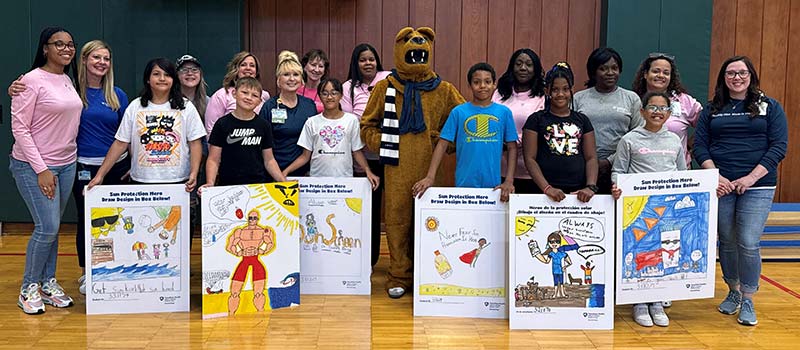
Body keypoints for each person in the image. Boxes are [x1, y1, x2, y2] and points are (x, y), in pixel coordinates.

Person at [8, 40, 131, 295]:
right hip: (80, 166)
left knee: (115, 222)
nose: (101, 63)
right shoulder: (70, 89)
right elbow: (36, 101)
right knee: (84, 222)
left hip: (113, 167)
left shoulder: (117, 95)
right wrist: (15, 89)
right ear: (84, 60)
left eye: (106, 59)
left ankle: (114, 270)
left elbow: (127, 135)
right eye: (96, 57)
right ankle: (86, 273)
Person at [693, 55, 788, 326]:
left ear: (751, 76)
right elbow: (700, 146)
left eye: (742, 73)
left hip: (758, 184)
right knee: (727, 240)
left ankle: (748, 298)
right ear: (724, 78)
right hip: (721, 186)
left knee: (748, 240)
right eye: (731, 73)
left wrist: (750, 178)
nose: (737, 77)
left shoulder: (769, 106)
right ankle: (733, 291)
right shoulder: (712, 109)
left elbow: (778, 146)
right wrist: (717, 176)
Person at [10, 27, 81, 314]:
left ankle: (47, 282)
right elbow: (20, 128)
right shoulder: (30, 80)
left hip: (66, 164)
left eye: (70, 44)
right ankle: (28, 288)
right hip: (34, 166)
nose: (66, 49)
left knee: (52, 229)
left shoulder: (67, 79)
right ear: (45, 48)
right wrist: (41, 169)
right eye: (59, 44)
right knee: (47, 227)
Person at [611, 91, 687, 327]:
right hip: (640, 209)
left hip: (667, 209)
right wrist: (616, 187)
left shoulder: (674, 140)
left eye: (662, 108)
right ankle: (640, 302)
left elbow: (682, 174)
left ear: (669, 113)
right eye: (652, 107)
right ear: (642, 111)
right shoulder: (630, 139)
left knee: (664, 252)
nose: (657, 112)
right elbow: (619, 171)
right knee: (643, 251)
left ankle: (657, 301)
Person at [87, 57, 206, 193]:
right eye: (156, 74)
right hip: (142, 181)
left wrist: (194, 173)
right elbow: (120, 143)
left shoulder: (186, 107)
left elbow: (195, 143)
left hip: (178, 181)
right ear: (148, 79)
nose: (162, 78)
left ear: (173, 80)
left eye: (167, 75)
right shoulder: (135, 106)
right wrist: (100, 175)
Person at [412, 62, 517, 202]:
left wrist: (509, 180)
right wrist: (430, 177)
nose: (482, 86)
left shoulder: (504, 113)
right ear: (470, 85)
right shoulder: (458, 112)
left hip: (494, 187)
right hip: (463, 185)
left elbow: (512, 147)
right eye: (476, 82)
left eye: (487, 81)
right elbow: (442, 144)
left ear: (494, 85)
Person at [341, 43, 391, 267]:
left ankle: (400, 262)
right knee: (366, 211)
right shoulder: (348, 87)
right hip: (362, 159)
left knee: (394, 209)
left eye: (371, 59)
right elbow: (350, 123)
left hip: (390, 156)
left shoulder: (389, 78)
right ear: (356, 63)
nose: (368, 63)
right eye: (363, 60)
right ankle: (366, 261)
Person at [282, 78, 380, 190]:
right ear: (319, 96)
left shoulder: (351, 120)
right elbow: (305, 156)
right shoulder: (311, 122)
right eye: (325, 93)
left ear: (341, 95)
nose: (329, 97)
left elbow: (356, 151)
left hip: (344, 182)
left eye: (334, 93)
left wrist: (368, 171)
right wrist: (285, 172)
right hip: (317, 184)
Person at [522, 62, 598, 203]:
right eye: (555, 89)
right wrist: (547, 188)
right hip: (543, 193)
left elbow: (591, 157)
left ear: (571, 91)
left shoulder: (582, 120)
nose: (560, 94)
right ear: (547, 91)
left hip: (578, 193)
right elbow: (529, 159)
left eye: (565, 89)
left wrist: (590, 187)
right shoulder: (536, 120)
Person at [573, 48, 643, 193]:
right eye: (603, 69)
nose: (610, 73)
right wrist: (591, 163)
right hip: (582, 168)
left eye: (614, 68)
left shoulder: (631, 98)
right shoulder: (578, 98)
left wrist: (609, 161)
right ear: (593, 72)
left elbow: (638, 136)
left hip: (620, 168)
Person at [203, 77, 286, 188]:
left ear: (259, 101)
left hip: (257, 186)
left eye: (254, 95)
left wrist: (283, 181)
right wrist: (210, 183)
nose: (249, 98)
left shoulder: (264, 125)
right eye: (244, 92)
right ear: (234, 93)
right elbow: (214, 159)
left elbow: (269, 160)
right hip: (228, 186)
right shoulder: (222, 124)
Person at [632, 53, 702, 166]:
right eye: (655, 71)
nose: (661, 75)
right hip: (641, 170)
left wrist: (689, 145)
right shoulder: (633, 100)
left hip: (677, 171)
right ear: (645, 74)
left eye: (666, 73)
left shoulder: (683, 101)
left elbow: (706, 124)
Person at [492, 48, 546, 194]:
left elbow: (541, 128)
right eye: (519, 64)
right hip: (500, 166)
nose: (523, 68)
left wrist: (513, 143)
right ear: (512, 67)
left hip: (530, 170)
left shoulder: (542, 96)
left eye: (529, 64)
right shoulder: (499, 93)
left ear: (535, 69)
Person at [258, 51, 317, 176]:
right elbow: (262, 144)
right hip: (274, 172)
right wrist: (277, 174)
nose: (291, 79)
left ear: (301, 79)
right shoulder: (269, 107)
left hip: (305, 174)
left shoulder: (309, 105)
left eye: (296, 74)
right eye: (286, 74)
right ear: (278, 80)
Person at [176, 54, 210, 239]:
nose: (190, 74)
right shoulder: (168, 102)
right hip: (178, 163)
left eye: (194, 70)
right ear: (177, 75)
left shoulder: (210, 102)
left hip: (204, 162)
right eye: (184, 70)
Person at [205, 51, 270, 135]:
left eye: (252, 65)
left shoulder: (264, 95)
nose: (248, 68)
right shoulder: (221, 95)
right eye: (243, 65)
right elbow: (211, 130)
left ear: (256, 71)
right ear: (236, 69)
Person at [225, 209, 275, 315]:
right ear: (248, 219)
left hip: (256, 260)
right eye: (250, 218)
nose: (252, 220)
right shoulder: (240, 231)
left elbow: (270, 243)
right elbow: (230, 246)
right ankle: (231, 313)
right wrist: (238, 252)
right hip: (244, 260)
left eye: (254, 218)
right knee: (234, 292)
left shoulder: (263, 231)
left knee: (258, 293)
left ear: (257, 219)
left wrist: (262, 250)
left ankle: (260, 312)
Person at [298, 49, 329, 113]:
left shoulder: (328, 92)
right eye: (313, 65)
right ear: (305, 67)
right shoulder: (296, 91)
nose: (317, 70)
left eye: (320, 66)